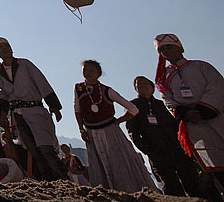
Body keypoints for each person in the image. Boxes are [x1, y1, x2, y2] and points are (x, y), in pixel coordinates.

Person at [73, 59, 156, 192]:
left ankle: (129, 190)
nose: (87, 72)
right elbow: (77, 110)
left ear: (98, 73)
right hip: (91, 132)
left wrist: (119, 121)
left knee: (118, 160)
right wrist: (81, 129)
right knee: (100, 163)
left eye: (91, 70)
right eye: (85, 69)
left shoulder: (106, 90)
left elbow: (133, 109)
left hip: (110, 131)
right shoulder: (79, 88)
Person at [155, 33, 224, 189]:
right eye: (163, 49)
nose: (167, 51)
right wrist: (185, 113)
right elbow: (167, 98)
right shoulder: (163, 77)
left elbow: (217, 86)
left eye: (170, 47)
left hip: (217, 117)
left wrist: (204, 110)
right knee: (215, 163)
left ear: (181, 48)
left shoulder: (201, 66)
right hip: (194, 125)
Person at [0, 37, 68, 181]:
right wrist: (3, 115)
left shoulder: (24, 64)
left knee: (46, 148)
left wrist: (54, 106)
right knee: (34, 151)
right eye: (1, 47)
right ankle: (48, 182)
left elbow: (41, 82)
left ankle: (64, 181)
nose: (5, 49)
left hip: (35, 110)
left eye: (6, 45)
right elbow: (3, 96)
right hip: (18, 116)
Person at [126, 75, 204, 197]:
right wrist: (147, 150)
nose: (142, 86)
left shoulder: (162, 104)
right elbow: (132, 131)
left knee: (191, 180)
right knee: (170, 185)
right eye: (139, 85)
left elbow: (176, 124)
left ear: (152, 87)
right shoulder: (133, 106)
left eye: (145, 83)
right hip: (156, 151)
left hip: (176, 149)